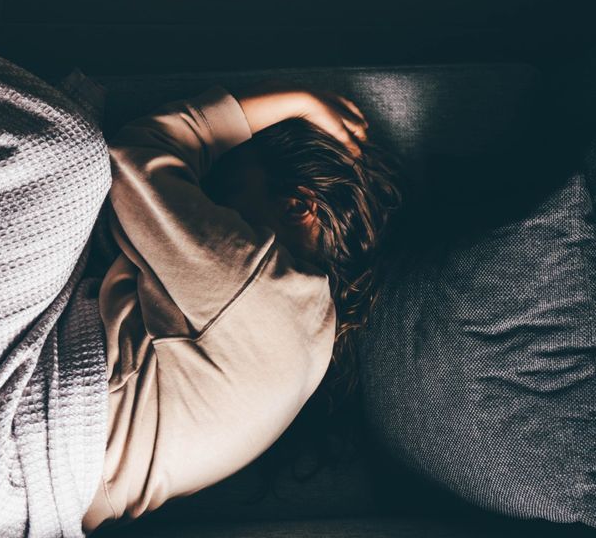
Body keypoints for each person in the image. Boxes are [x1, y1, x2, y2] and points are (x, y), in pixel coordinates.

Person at [83, 83, 401, 532]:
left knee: (64, 145)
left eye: (229, 189)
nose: (208, 204)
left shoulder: (258, 280)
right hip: (56, 497)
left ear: (298, 206)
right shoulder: (310, 342)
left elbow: (128, 158)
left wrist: (301, 100)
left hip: (43, 443)